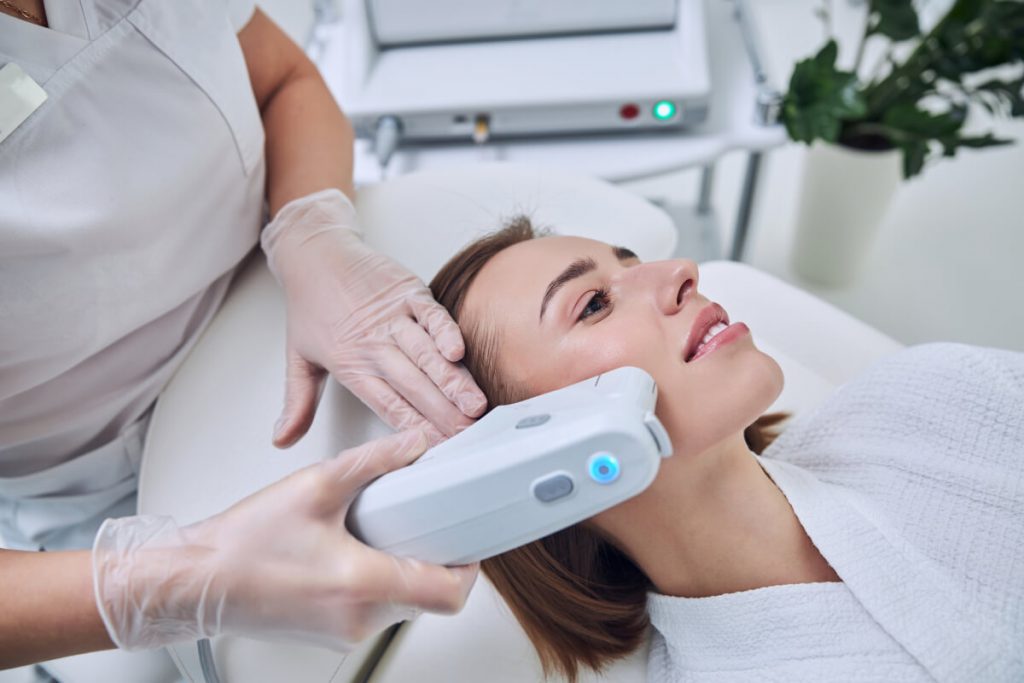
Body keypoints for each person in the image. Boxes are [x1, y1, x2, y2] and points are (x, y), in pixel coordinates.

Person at [0, 0, 484, 675]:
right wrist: (161, 584)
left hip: (290, 304)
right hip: (100, 502)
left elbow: (285, 81)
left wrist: (311, 229)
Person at [428, 218, 1024, 682]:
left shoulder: (935, 393)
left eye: (631, 262)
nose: (682, 269)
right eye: (593, 304)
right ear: (518, 455)